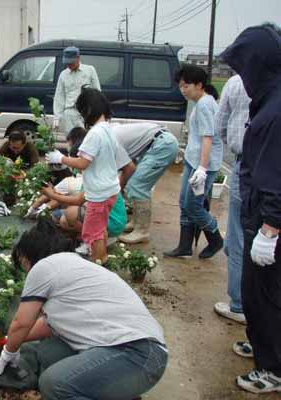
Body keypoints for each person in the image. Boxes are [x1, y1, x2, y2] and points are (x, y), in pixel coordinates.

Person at [0, 220, 168, 400]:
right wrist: (9, 340)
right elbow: (48, 324)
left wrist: (9, 352)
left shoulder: (44, 267)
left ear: (32, 255)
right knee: (49, 352)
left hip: (137, 354)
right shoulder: (75, 265)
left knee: (53, 385)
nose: (26, 270)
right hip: (141, 351)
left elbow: (22, 323)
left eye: (24, 263)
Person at [220, 23, 281, 394]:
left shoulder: (275, 111)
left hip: (269, 220)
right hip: (260, 213)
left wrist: (271, 228)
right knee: (257, 292)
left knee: (269, 294)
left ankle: (273, 368)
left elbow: (276, 175)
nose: (241, 78)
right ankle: (262, 346)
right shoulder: (269, 99)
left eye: (244, 69)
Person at [46, 88, 120, 265]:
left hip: (99, 193)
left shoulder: (95, 133)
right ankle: (102, 260)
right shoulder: (109, 129)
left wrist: (61, 158)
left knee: (93, 233)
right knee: (100, 229)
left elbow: (83, 163)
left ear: (88, 109)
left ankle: (99, 263)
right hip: (110, 189)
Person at [164, 65, 224, 259]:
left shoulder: (206, 104)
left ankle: (215, 238)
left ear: (199, 85)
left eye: (186, 85)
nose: (183, 89)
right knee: (185, 201)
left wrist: (202, 168)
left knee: (193, 205)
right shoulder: (199, 102)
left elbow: (208, 137)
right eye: (181, 86)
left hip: (202, 164)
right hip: (193, 160)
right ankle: (185, 245)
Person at [212, 74, 250, 325]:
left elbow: (221, 126)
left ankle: (239, 304)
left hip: (246, 163)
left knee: (238, 236)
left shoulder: (237, 82)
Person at [112, 122, 179, 244]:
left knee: (137, 186)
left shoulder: (110, 141)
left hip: (162, 145)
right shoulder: (108, 133)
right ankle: (136, 223)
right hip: (158, 142)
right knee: (134, 184)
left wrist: (119, 189)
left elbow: (129, 168)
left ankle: (142, 231)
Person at [53, 46, 100, 133]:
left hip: (85, 113)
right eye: (67, 63)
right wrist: (57, 118)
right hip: (69, 113)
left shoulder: (90, 70)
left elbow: (97, 92)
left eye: (71, 63)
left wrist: (96, 113)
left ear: (78, 58)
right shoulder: (63, 75)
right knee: (71, 141)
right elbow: (59, 97)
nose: (69, 65)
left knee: (85, 141)